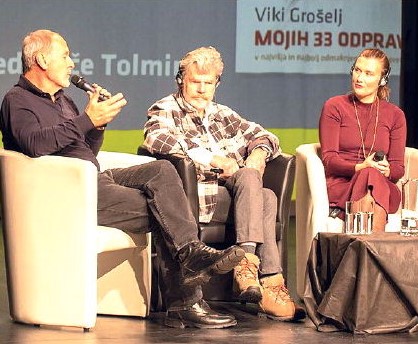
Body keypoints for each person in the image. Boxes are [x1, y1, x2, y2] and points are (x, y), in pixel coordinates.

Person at [0, 29, 247, 329]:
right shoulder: (17, 100)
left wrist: (98, 126)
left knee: (162, 170)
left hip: (93, 177)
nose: (71, 64)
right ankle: (186, 299)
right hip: (67, 192)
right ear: (40, 59)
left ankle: (188, 258)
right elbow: (35, 144)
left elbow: (85, 150)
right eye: (65, 56)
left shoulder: (64, 100)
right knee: (167, 210)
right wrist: (88, 118)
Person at [143, 46, 305, 322]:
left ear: (217, 84)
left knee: (258, 186)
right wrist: (214, 159)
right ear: (181, 80)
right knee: (263, 195)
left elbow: (265, 135)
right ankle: (268, 281)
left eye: (209, 83)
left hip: (237, 193)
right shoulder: (166, 108)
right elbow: (156, 139)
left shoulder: (222, 114)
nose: (202, 89)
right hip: (198, 196)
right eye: (196, 82)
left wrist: (257, 153)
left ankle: (251, 271)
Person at [319, 48, 407, 231]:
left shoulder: (395, 115)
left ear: (382, 80)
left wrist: (387, 170)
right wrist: (361, 167)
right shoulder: (334, 106)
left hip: (381, 185)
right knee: (369, 174)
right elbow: (329, 160)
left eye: (368, 73)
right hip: (343, 184)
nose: (359, 78)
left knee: (372, 175)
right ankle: (374, 250)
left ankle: (360, 252)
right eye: (357, 70)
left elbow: (398, 168)